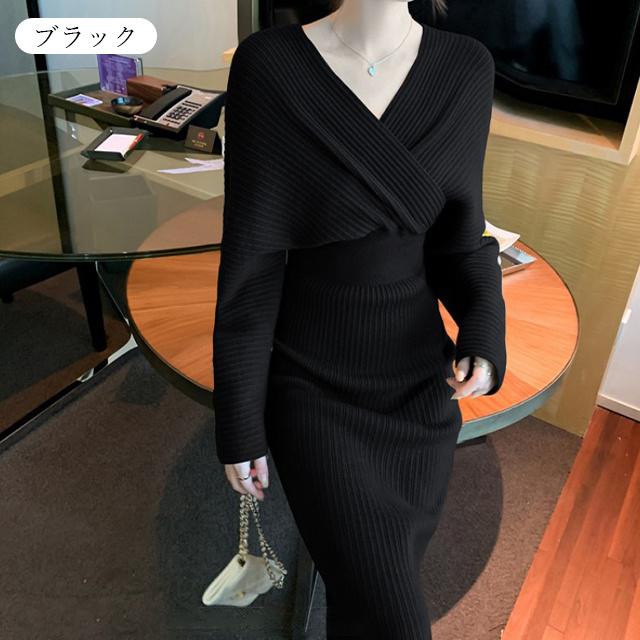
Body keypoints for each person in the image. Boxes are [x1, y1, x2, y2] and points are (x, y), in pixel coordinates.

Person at [212, 1, 507, 637]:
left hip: (418, 383)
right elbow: (252, 264)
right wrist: (238, 420)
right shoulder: (270, 65)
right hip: (310, 382)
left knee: (368, 586)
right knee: (390, 609)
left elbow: (460, 241)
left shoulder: (465, 68)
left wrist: (483, 333)